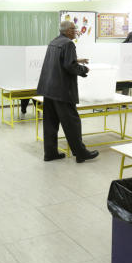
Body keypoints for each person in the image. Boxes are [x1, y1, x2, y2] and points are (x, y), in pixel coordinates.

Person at [36, 20, 99, 163]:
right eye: (74, 28)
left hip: (48, 89)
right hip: (62, 91)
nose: (76, 31)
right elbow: (69, 66)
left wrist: (77, 59)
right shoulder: (69, 44)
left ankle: (50, 153)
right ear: (68, 30)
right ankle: (81, 153)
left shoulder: (54, 42)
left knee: (50, 123)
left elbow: (61, 61)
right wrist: (83, 69)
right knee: (72, 122)